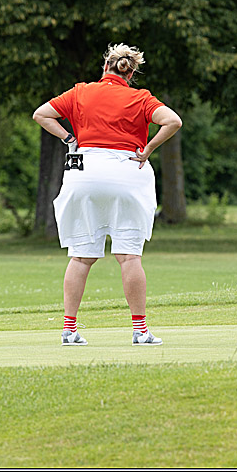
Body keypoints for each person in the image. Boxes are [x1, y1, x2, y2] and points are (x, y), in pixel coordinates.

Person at [33, 43, 182, 346]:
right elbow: (173, 121)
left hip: (84, 172)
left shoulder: (80, 92)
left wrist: (69, 138)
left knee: (80, 256)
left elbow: (41, 114)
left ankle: (69, 329)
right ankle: (140, 331)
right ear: (131, 72)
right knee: (129, 257)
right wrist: (149, 149)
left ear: (105, 67)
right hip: (127, 172)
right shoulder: (140, 97)